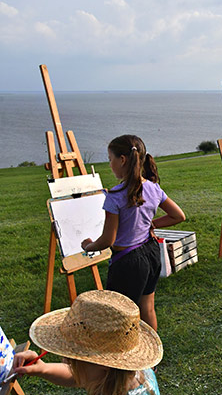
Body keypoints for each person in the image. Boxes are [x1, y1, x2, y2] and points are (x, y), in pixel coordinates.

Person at [81, 135, 185, 331]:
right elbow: (178, 215)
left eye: (110, 159)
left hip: (127, 263)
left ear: (122, 160)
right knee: (148, 309)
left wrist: (89, 245)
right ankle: (151, 359)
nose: (110, 164)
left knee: (119, 315)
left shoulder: (115, 196)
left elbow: (107, 240)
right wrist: (151, 224)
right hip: (151, 253)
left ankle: (127, 359)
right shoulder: (153, 188)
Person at [12, 290, 162, 395]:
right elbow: (78, 376)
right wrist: (43, 368)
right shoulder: (122, 375)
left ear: (105, 366)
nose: (65, 359)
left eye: (76, 359)